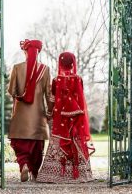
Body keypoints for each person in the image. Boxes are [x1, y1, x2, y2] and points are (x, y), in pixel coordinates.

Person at [37, 52, 95, 183]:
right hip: (76, 119)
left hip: (60, 119)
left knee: (59, 141)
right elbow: (81, 99)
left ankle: (57, 175)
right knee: (76, 141)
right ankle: (80, 174)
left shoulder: (56, 80)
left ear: (61, 63)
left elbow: (52, 99)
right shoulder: (78, 79)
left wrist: (50, 113)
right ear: (72, 63)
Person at [7, 39, 53, 182]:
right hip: (38, 116)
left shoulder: (16, 68)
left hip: (20, 115)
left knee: (20, 144)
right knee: (37, 146)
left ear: (25, 52)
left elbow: (11, 91)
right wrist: (50, 112)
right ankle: (34, 172)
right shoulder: (45, 69)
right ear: (38, 52)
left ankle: (24, 164)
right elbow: (49, 94)